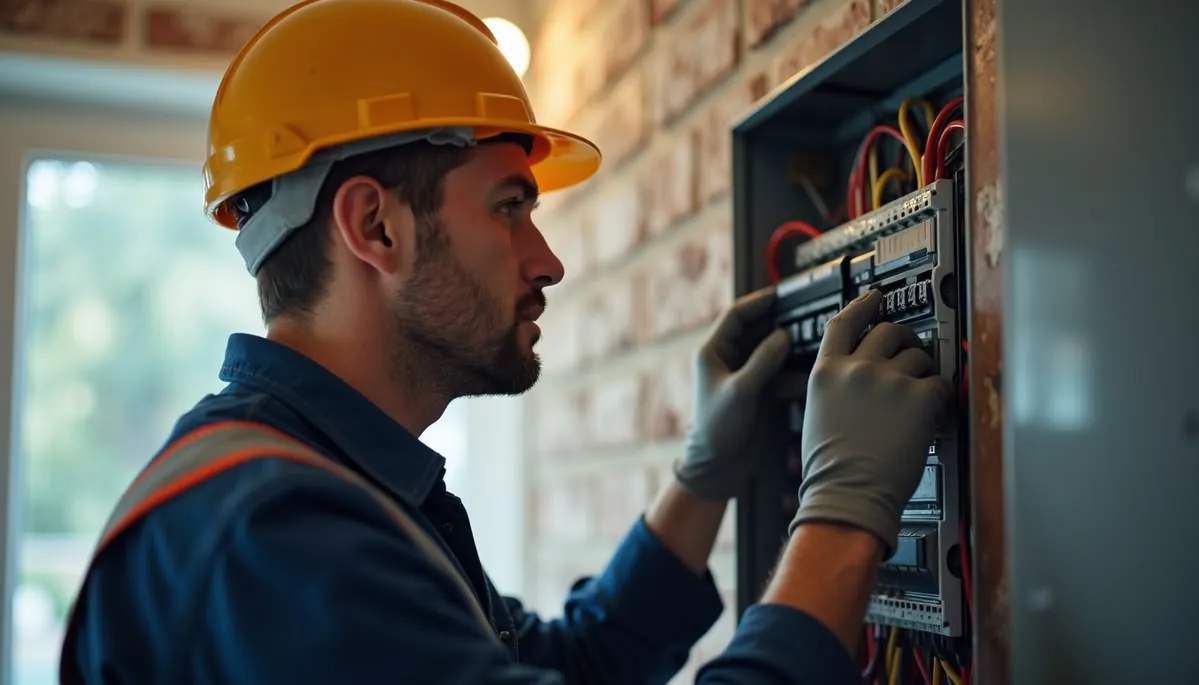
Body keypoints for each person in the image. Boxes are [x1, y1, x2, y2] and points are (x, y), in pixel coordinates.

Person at [60, 1, 952, 683]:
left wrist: (700, 477)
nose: (548, 260)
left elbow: (575, 662)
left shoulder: (336, 488)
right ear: (375, 227)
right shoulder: (271, 541)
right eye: (510, 206)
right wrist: (841, 511)